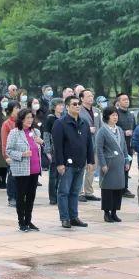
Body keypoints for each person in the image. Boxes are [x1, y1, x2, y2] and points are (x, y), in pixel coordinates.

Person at [52, 96, 93, 228]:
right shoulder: (60, 123)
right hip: (67, 164)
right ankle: (65, 218)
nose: (77, 106)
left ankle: (74, 216)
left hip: (80, 163)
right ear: (67, 107)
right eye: (74, 104)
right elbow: (57, 146)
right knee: (64, 191)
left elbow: (89, 144)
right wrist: (59, 163)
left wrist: (90, 161)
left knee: (75, 192)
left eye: (78, 104)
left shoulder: (84, 123)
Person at [6, 108, 42, 231]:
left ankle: (28, 220)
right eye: (27, 118)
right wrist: (22, 154)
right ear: (21, 119)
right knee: (21, 197)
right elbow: (9, 150)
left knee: (31, 197)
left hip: (35, 169)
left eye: (31, 118)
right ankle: (21, 222)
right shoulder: (14, 133)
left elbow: (42, 147)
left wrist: (41, 142)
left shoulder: (36, 132)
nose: (30, 120)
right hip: (22, 170)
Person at [95, 107, 129, 223]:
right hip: (109, 164)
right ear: (107, 116)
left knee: (118, 188)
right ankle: (106, 212)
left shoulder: (119, 130)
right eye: (113, 115)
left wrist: (126, 160)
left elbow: (124, 146)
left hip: (119, 164)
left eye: (116, 115)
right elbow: (99, 149)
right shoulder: (102, 131)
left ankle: (114, 212)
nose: (115, 117)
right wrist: (103, 164)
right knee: (107, 189)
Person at [78, 89, 101, 202]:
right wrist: (87, 129)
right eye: (88, 96)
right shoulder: (78, 110)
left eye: (92, 96)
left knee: (91, 169)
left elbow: (100, 127)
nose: (91, 98)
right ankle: (79, 192)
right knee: (81, 168)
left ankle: (89, 192)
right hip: (82, 144)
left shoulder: (97, 111)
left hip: (95, 144)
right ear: (82, 98)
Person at [0, 101, 21, 207]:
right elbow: (4, 141)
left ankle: (20, 196)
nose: (18, 110)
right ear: (11, 110)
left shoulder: (22, 122)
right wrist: (6, 156)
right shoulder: (7, 124)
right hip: (11, 154)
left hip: (22, 154)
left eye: (19, 108)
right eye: (16, 108)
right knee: (12, 176)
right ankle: (12, 197)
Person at [115, 93, 137, 198]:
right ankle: (118, 188)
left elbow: (135, 129)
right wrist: (124, 132)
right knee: (119, 167)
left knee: (127, 166)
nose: (127, 101)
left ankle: (125, 188)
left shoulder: (131, 114)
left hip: (129, 145)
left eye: (127, 99)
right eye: (124, 100)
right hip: (118, 145)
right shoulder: (115, 114)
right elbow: (112, 129)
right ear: (118, 102)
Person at [43, 99, 64, 205]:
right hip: (53, 149)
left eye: (62, 105)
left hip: (63, 149)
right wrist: (47, 151)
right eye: (59, 105)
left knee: (61, 175)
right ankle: (52, 197)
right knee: (53, 175)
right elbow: (46, 135)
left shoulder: (64, 118)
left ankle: (60, 195)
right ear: (54, 107)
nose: (61, 107)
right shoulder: (50, 119)